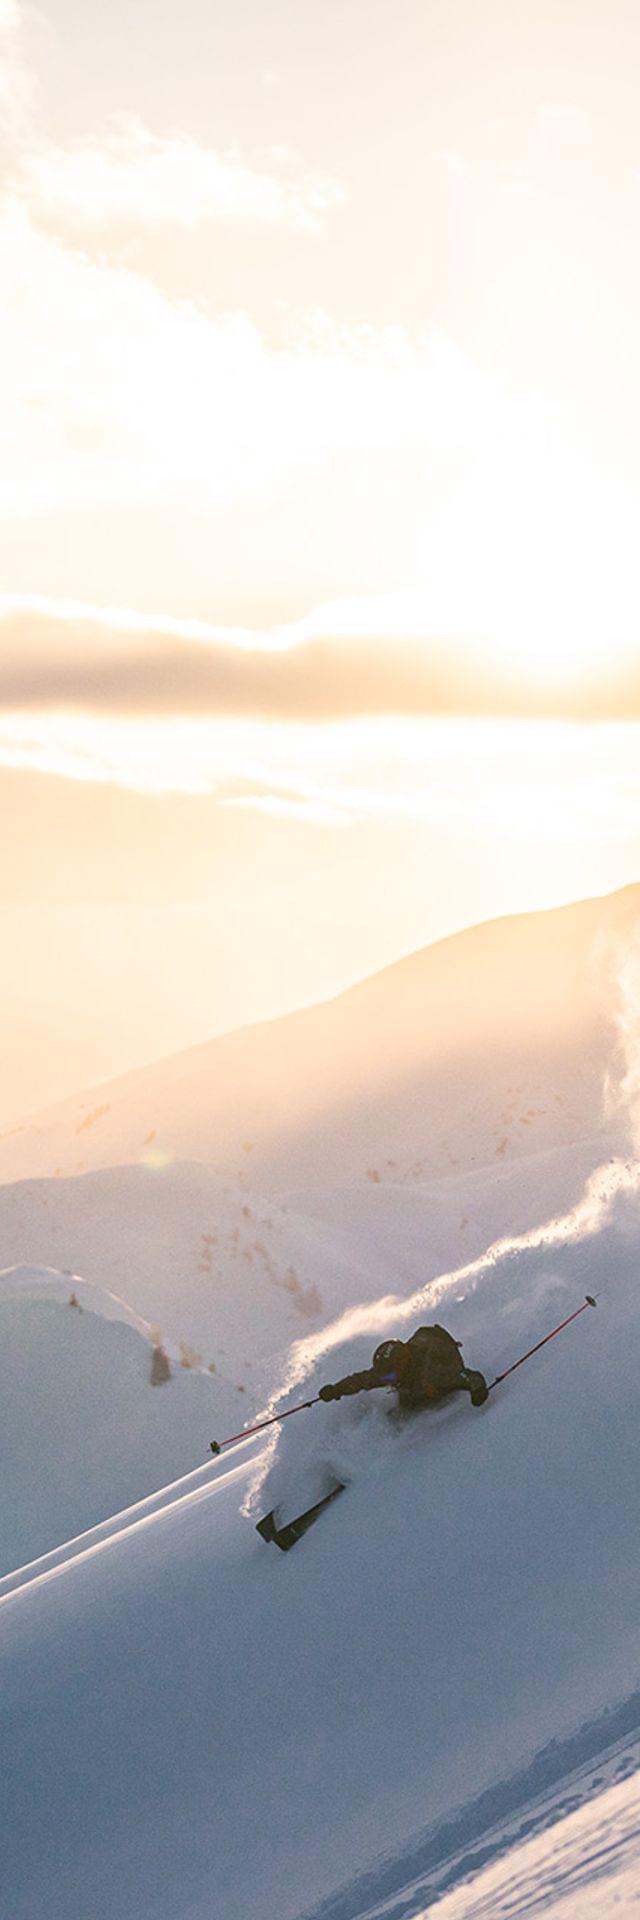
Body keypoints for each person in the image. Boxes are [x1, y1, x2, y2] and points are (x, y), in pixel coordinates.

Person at [318, 1323, 488, 1410]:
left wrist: (478, 1390)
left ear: (403, 1365)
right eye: (385, 1378)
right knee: (406, 1400)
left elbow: (468, 1377)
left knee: (412, 1400)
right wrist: (336, 1390)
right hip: (423, 1348)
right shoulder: (390, 1371)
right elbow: (362, 1380)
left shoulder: (432, 1373)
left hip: (442, 1355)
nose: (387, 1381)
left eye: (390, 1377)